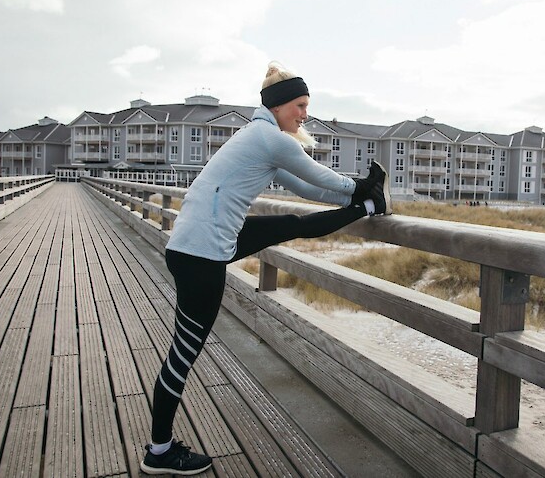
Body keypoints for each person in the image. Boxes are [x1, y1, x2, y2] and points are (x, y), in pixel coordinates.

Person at [140, 62, 392, 475]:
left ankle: (366, 208)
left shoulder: (262, 139)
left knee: (291, 226)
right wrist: (357, 186)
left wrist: (355, 195)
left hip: (210, 241)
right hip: (201, 254)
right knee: (183, 354)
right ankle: (160, 450)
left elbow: (309, 187)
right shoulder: (267, 138)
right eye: (300, 105)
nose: (305, 114)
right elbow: (323, 175)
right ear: (278, 105)